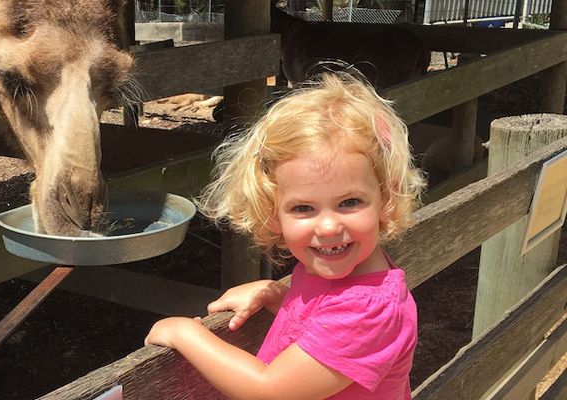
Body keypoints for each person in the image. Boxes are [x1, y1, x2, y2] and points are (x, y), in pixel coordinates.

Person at [145, 71, 426, 399]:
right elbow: (325, 319)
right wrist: (278, 297)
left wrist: (186, 334)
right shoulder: (341, 272)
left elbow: (270, 391)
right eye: (304, 208)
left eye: (349, 202)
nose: (328, 227)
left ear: (385, 199)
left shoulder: (369, 309)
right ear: (272, 212)